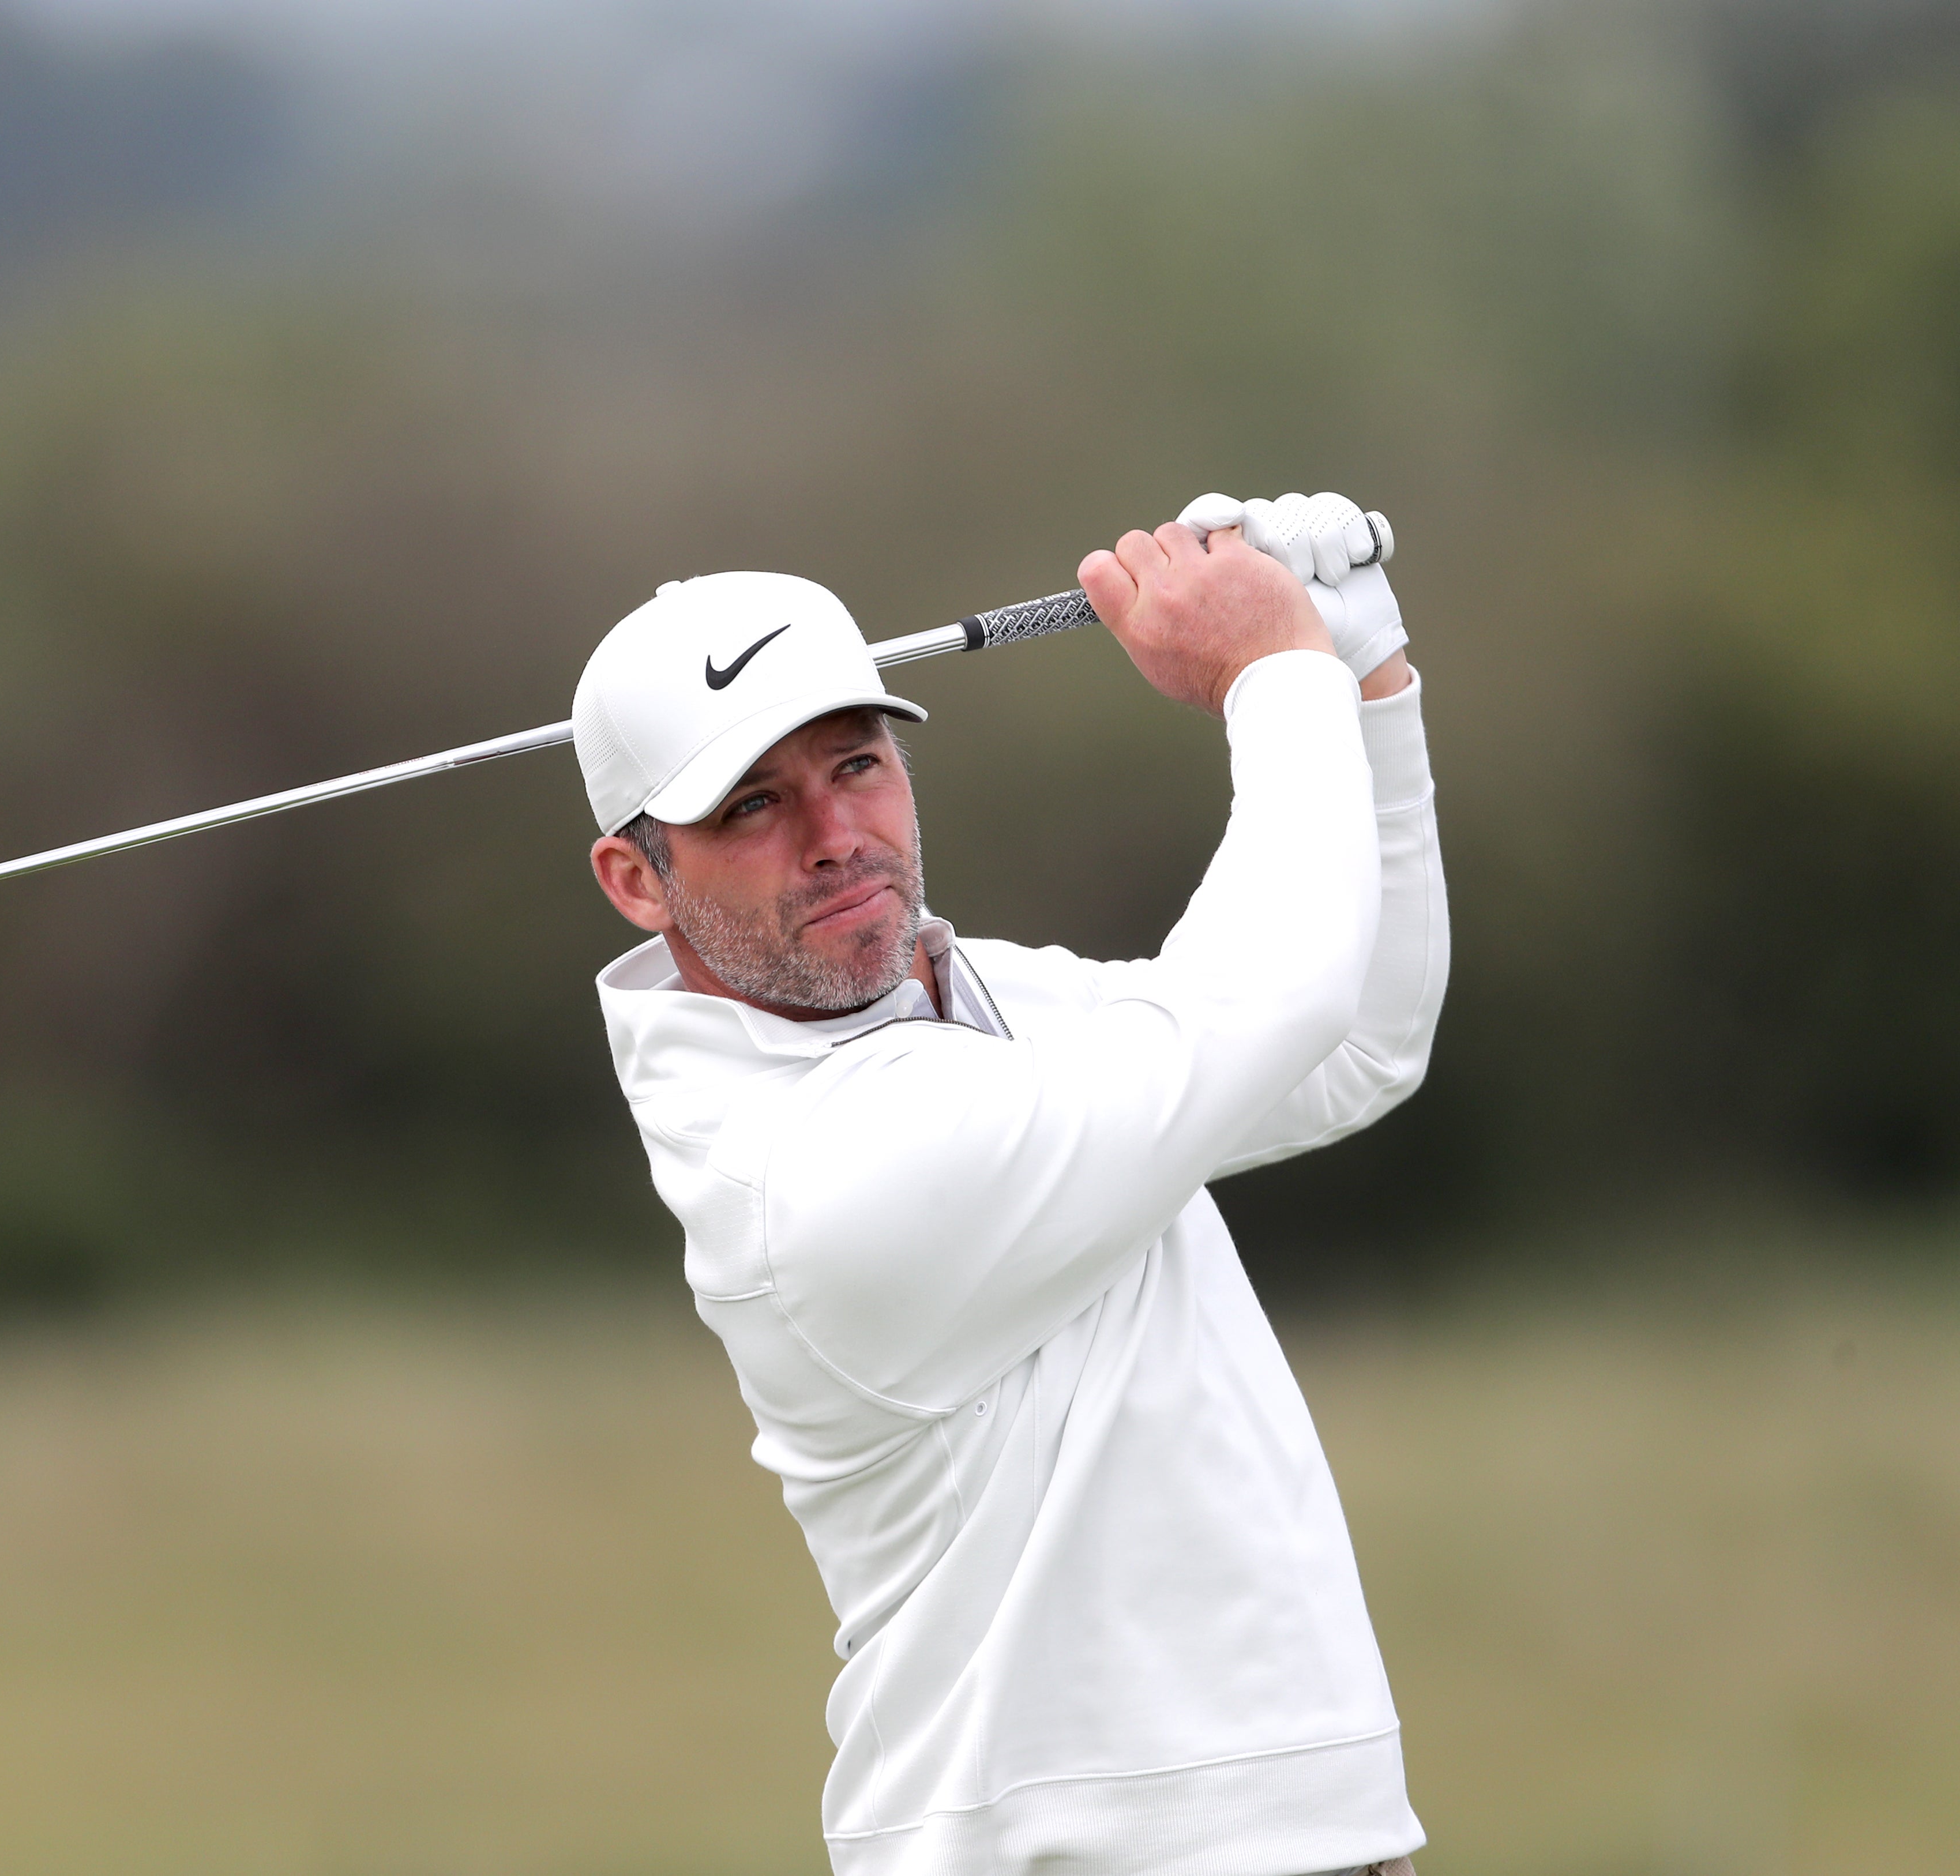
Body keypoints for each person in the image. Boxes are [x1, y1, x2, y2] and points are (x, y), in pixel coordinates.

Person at [572, 492, 1447, 1876]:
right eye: (751, 804)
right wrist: (1273, 677)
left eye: (854, 764)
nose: (832, 833)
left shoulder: (965, 996)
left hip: (1284, 1837)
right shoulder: (809, 1173)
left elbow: (1353, 1046)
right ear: (636, 876)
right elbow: (1266, 1002)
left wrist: (1362, 681)